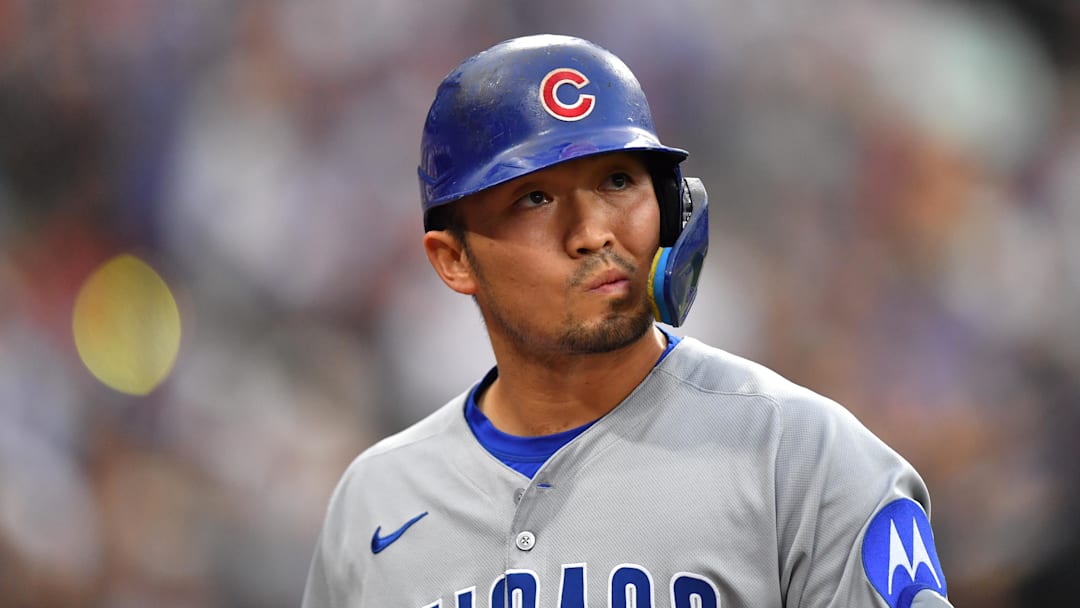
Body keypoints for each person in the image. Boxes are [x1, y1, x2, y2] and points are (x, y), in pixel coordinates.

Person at [302, 34, 954, 608]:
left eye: (618, 181)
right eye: (534, 197)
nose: (593, 232)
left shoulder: (806, 457)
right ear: (453, 260)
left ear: (672, 208)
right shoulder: (374, 503)